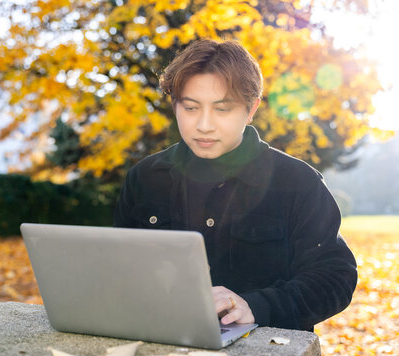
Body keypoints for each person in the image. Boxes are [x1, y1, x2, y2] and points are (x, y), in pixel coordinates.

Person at [113, 39, 357, 331]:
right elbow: (120, 267)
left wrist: (256, 305)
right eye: (190, 108)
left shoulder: (298, 182)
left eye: (222, 109)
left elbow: (335, 277)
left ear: (251, 108)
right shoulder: (144, 178)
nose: (204, 125)